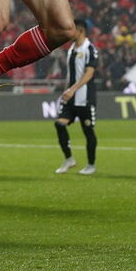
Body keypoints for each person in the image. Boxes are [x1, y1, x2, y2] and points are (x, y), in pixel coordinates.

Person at [54, 19, 99, 175]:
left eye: (71, 30)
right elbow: (70, 74)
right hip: (70, 96)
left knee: (88, 131)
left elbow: (89, 73)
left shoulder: (90, 49)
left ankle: (91, 165)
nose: (69, 33)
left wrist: (73, 89)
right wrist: (67, 89)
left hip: (85, 98)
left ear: (80, 31)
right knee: (59, 124)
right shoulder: (71, 49)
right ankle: (69, 159)